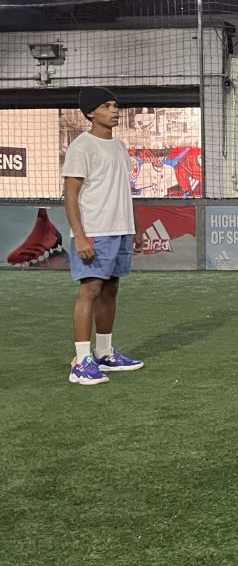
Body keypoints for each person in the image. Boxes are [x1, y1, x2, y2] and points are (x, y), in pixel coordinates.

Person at [62, 87, 145, 385]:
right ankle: (81, 362)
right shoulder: (81, 146)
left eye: (115, 105)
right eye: (107, 106)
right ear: (90, 113)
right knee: (90, 291)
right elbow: (70, 195)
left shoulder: (119, 147)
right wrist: (81, 236)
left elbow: (123, 191)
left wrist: (132, 229)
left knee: (111, 290)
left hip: (119, 229)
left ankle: (104, 354)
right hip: (95, 231)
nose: (114, 110)